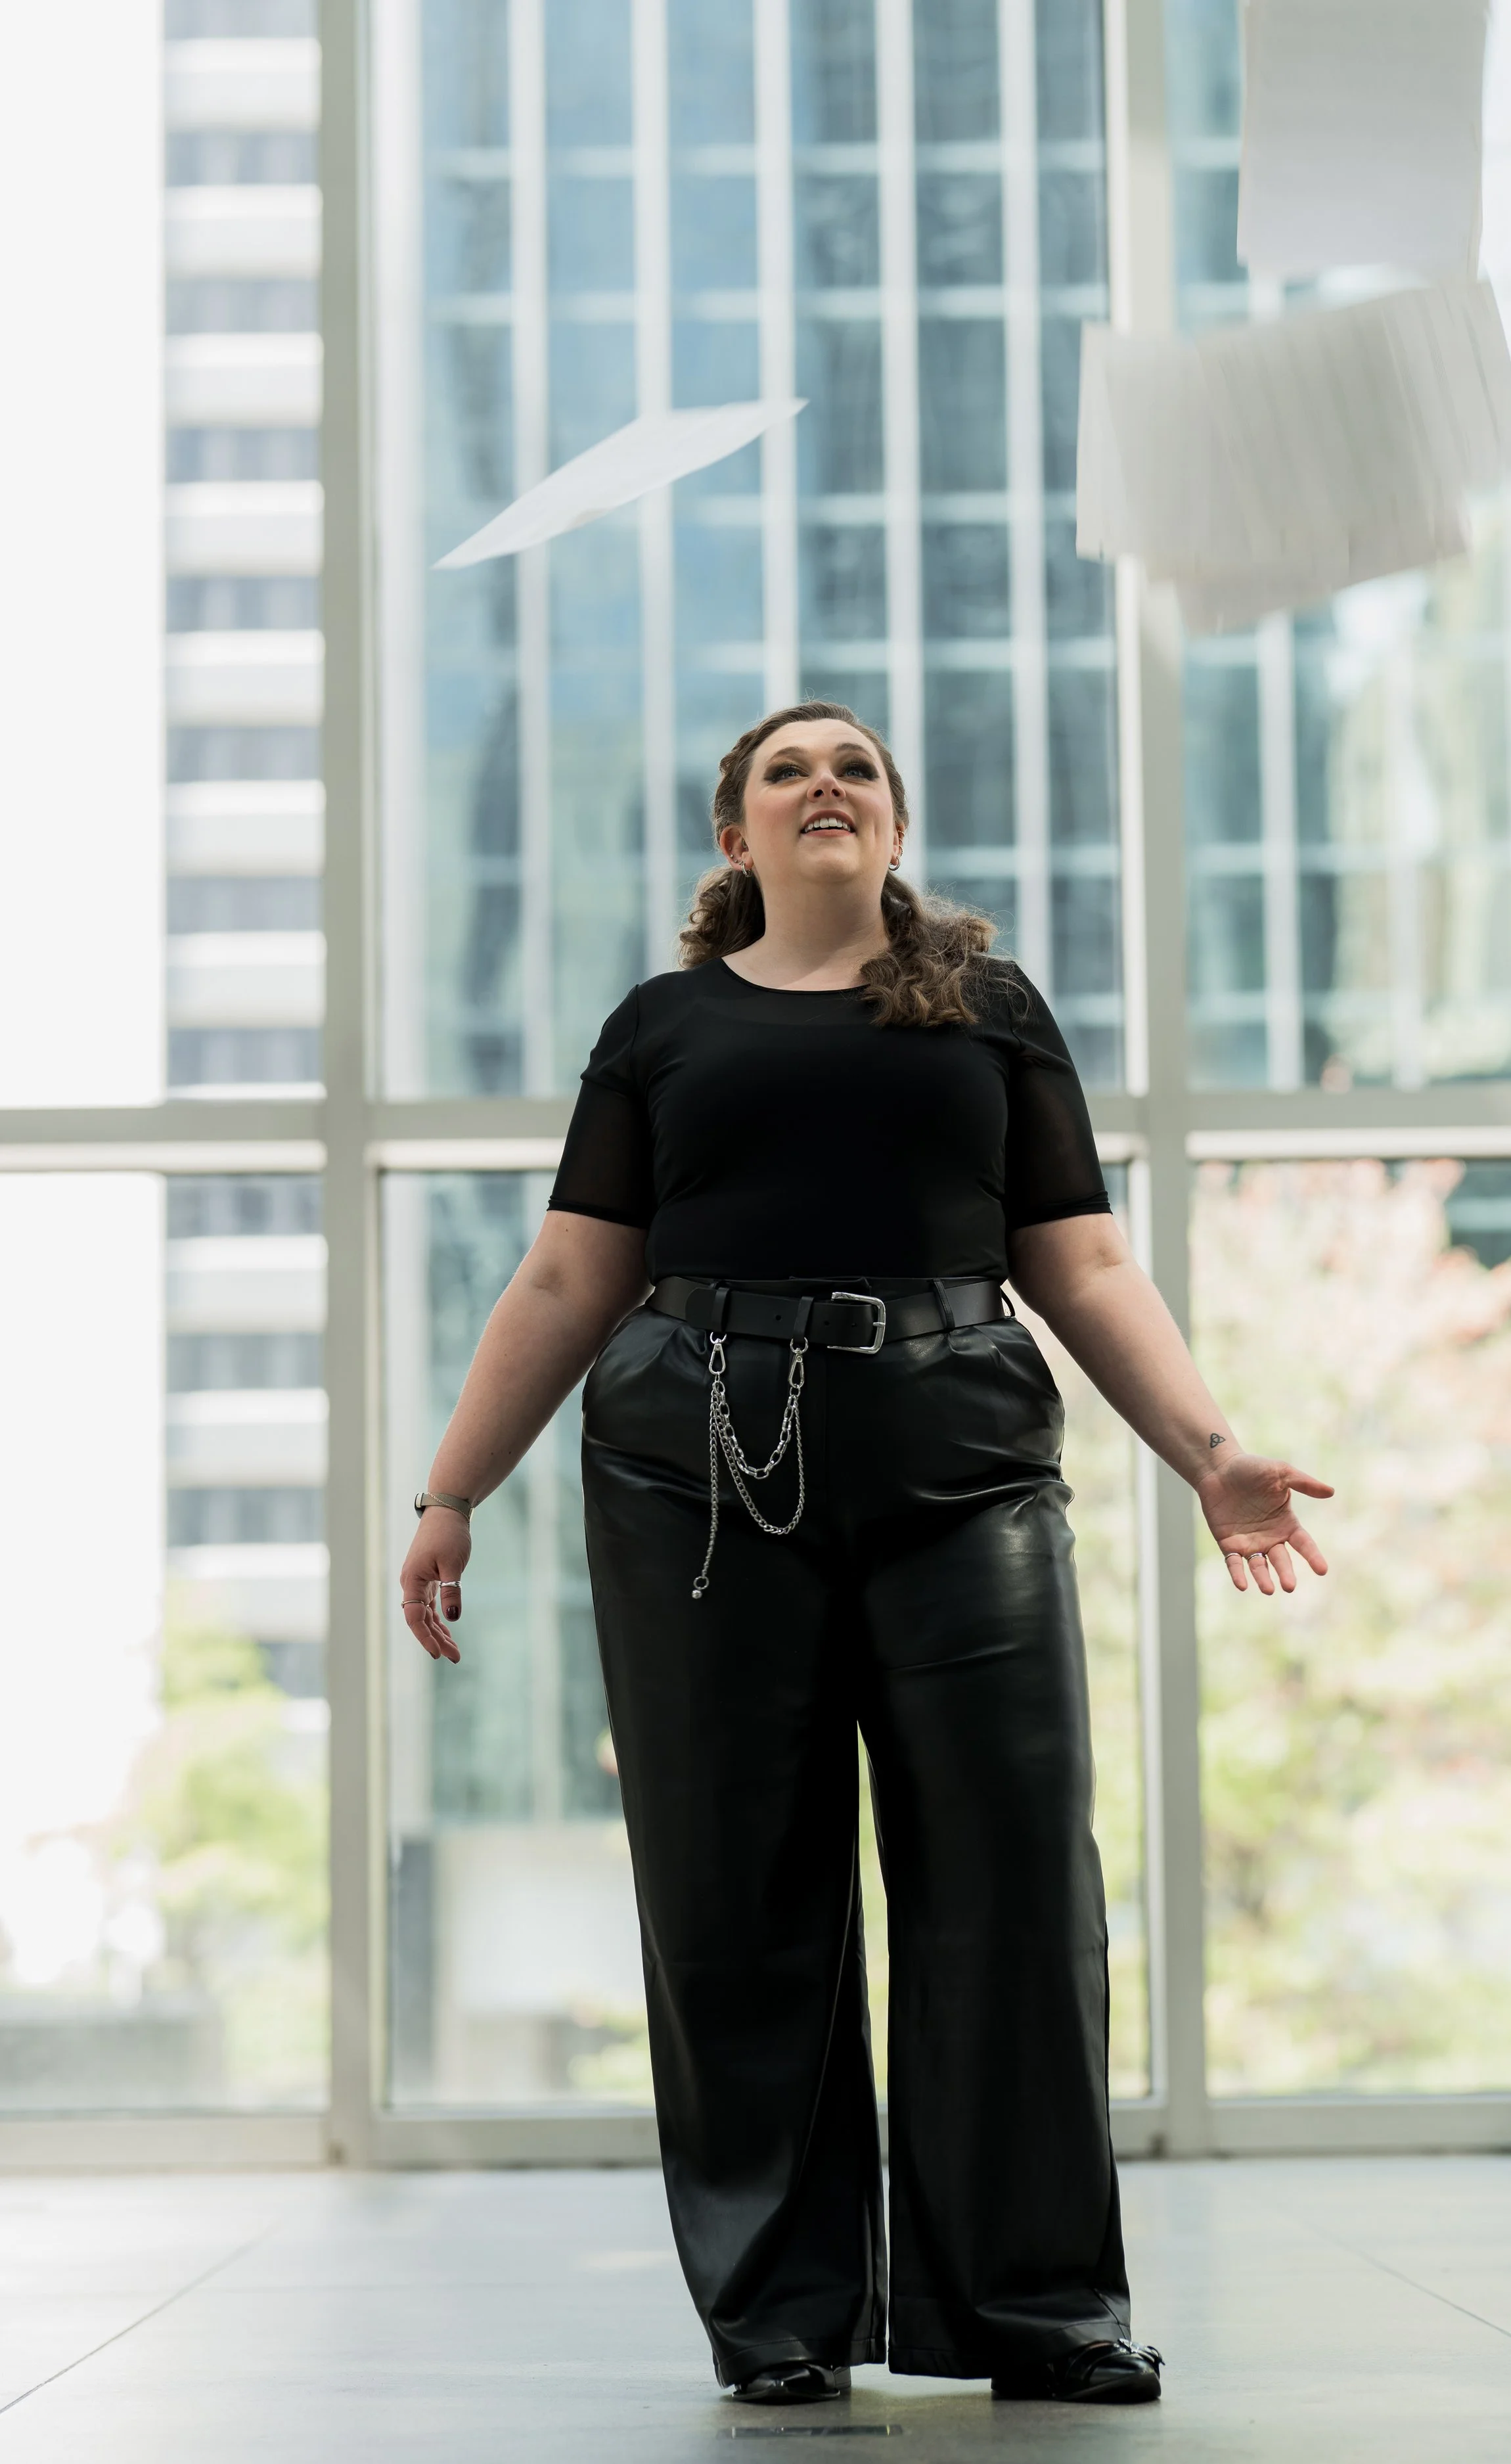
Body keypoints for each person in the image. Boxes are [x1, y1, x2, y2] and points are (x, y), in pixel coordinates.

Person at [399, 700, 1332, 2410]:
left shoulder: (986, 1008)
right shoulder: (662, 1024)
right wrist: (451, 1488)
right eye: (786, 770)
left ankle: (1033, 2306)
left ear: (893, 827)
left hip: (960, 1456)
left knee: (1009, 1869)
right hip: (688, 1470)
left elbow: (1085, 1262)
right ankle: (781, 2315)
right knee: (732, 1887)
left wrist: (1211, 1448)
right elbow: (563, 1278)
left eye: (857, 769)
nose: (825, 784)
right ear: (733, 836)